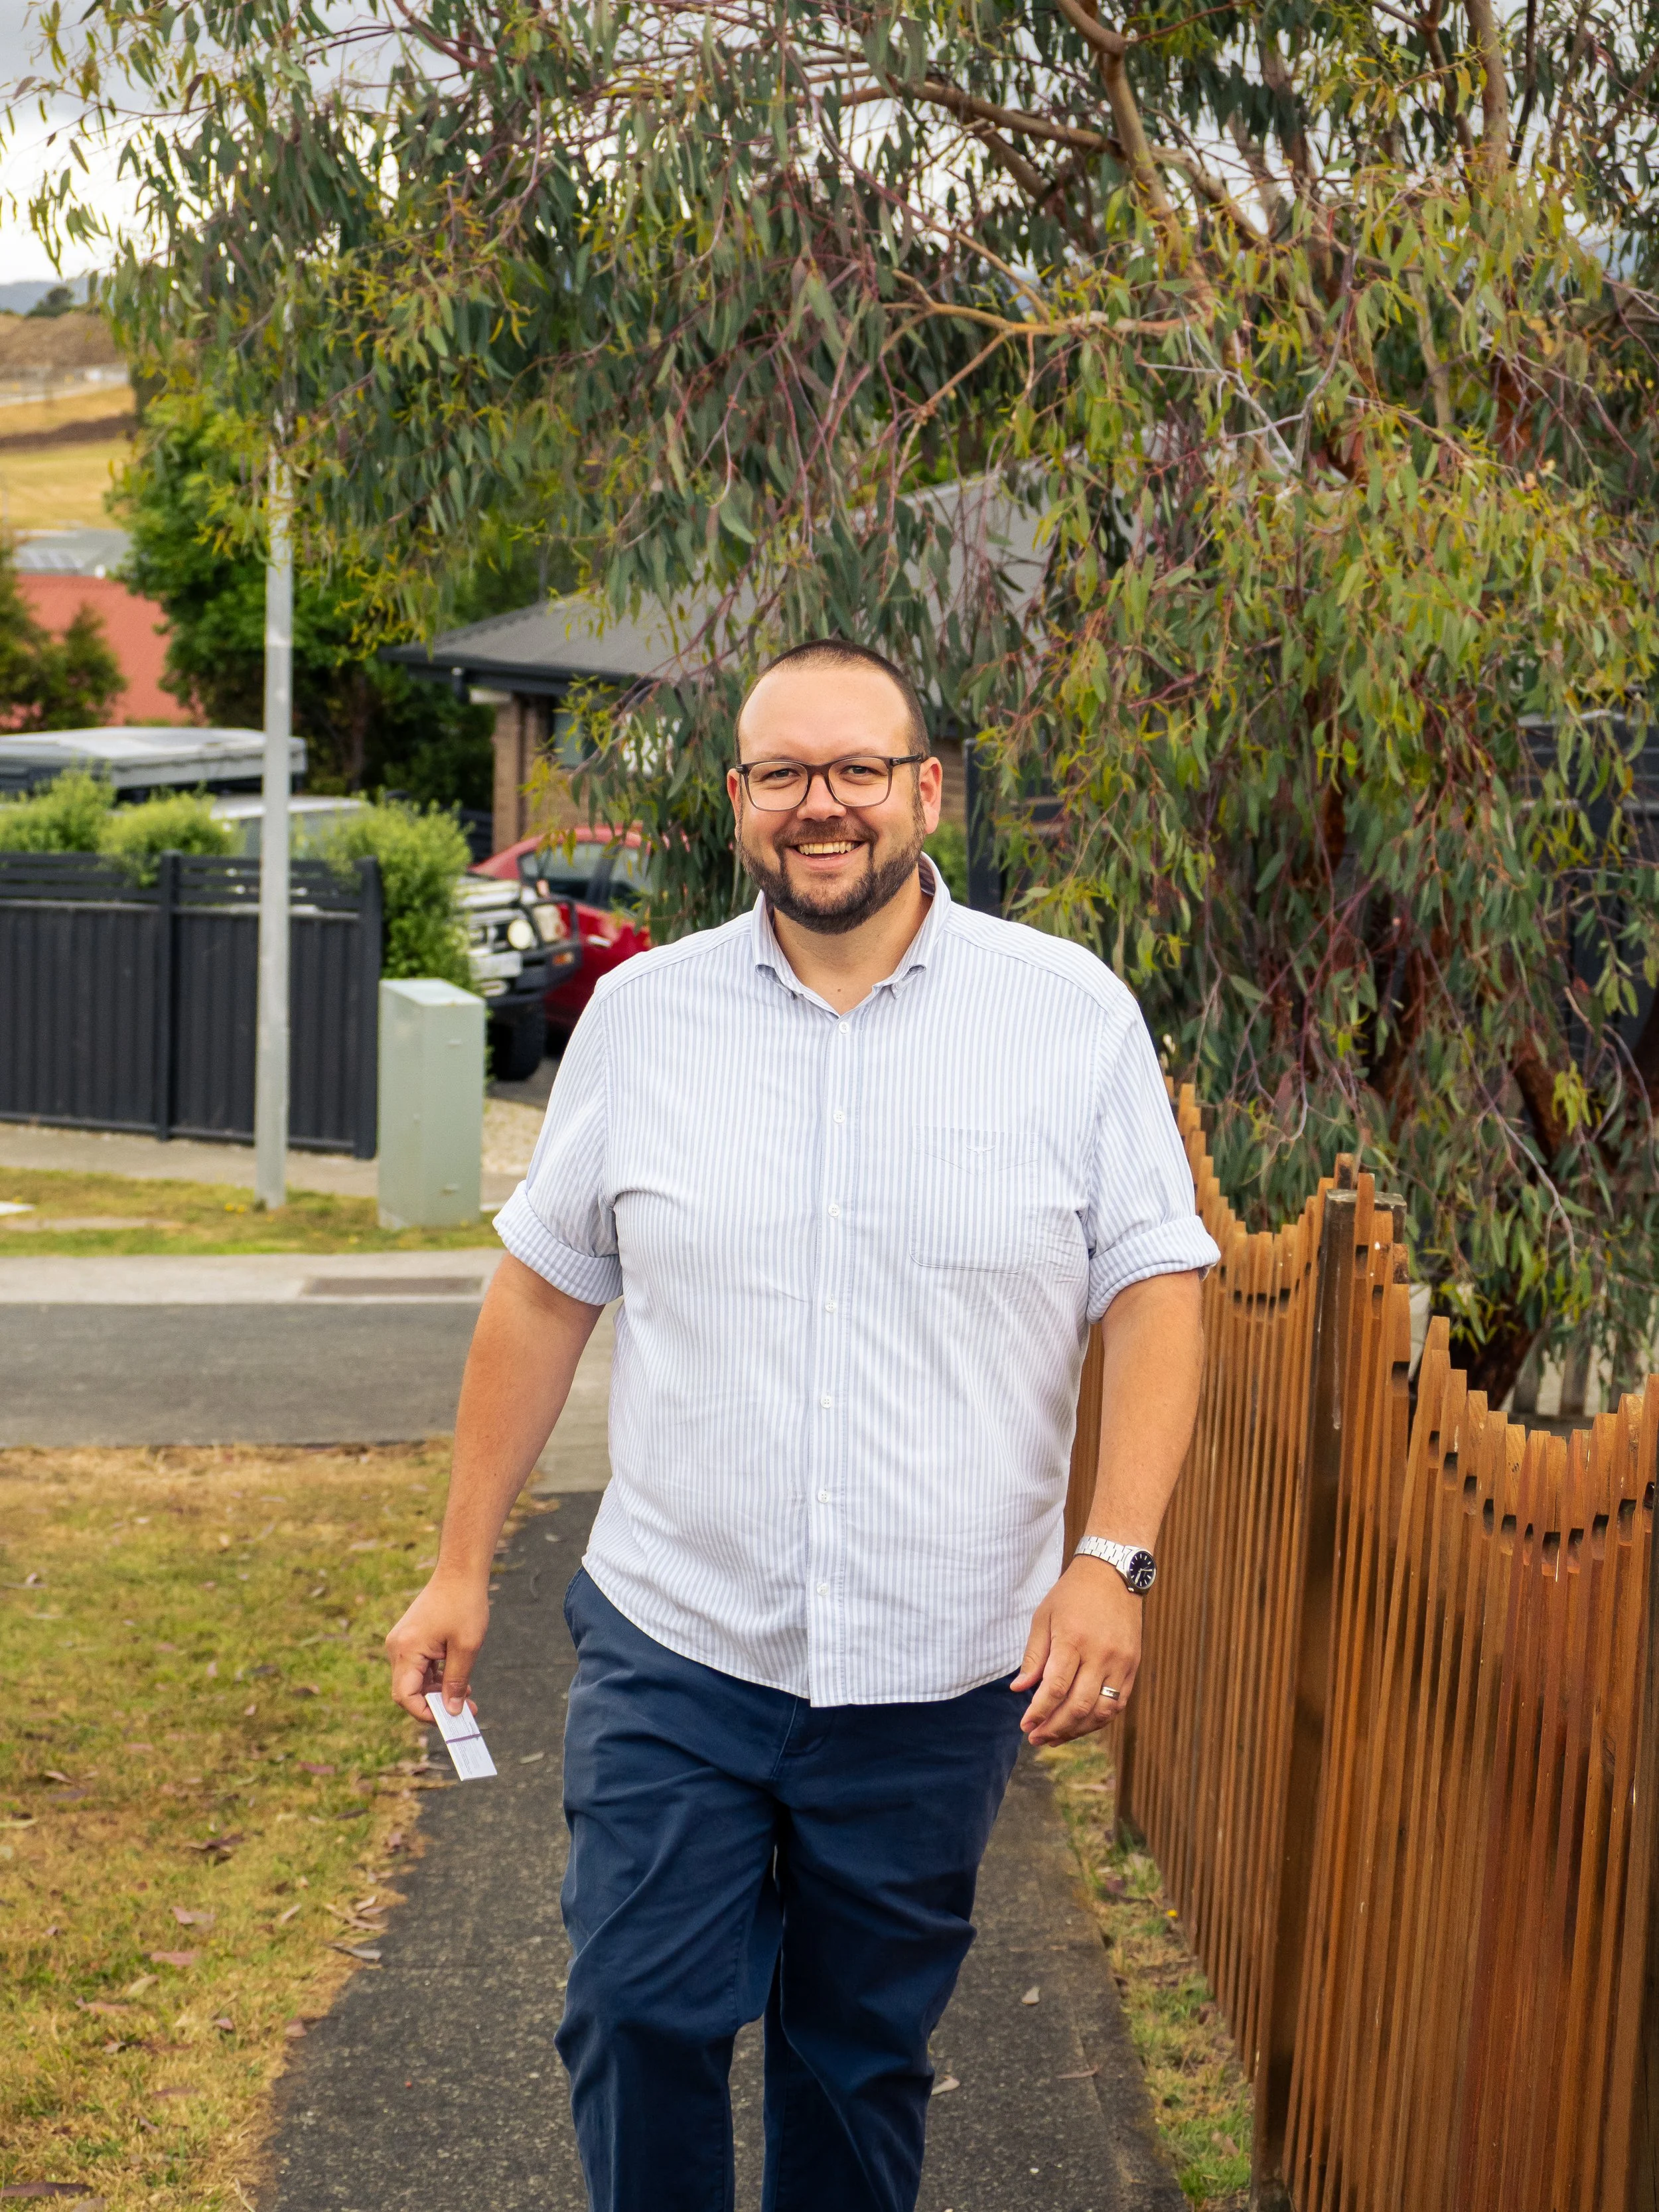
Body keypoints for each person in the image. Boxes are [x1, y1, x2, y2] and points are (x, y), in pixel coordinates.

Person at [385, 638, 1219, 2212]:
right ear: (737, 802)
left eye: (854, 770)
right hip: (678, 1640)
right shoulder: (642, 1019)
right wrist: (459, 1567)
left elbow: (1156, 1285)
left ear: (923, 788)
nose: (817, 805)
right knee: (635, 2012)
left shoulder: (1066, 1017)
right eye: (782, 774)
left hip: (935, 1664)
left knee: (855, 2060)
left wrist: (1111, 1558)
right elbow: (544, 1292)